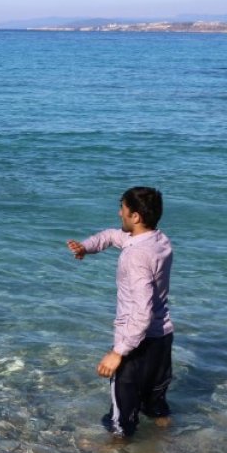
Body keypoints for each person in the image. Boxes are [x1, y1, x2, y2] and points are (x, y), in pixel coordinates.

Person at [67, 186, 174, 439]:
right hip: (162, 338)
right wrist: (86, 246)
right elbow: (111, 236)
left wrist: (118, 352)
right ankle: (165, 448)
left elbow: (141, 312)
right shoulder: (159, 240)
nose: (119, 214)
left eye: (123, 210)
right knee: (155, 405)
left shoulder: (136, 256)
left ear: (135, 216)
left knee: (121, 418)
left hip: (137, 343)